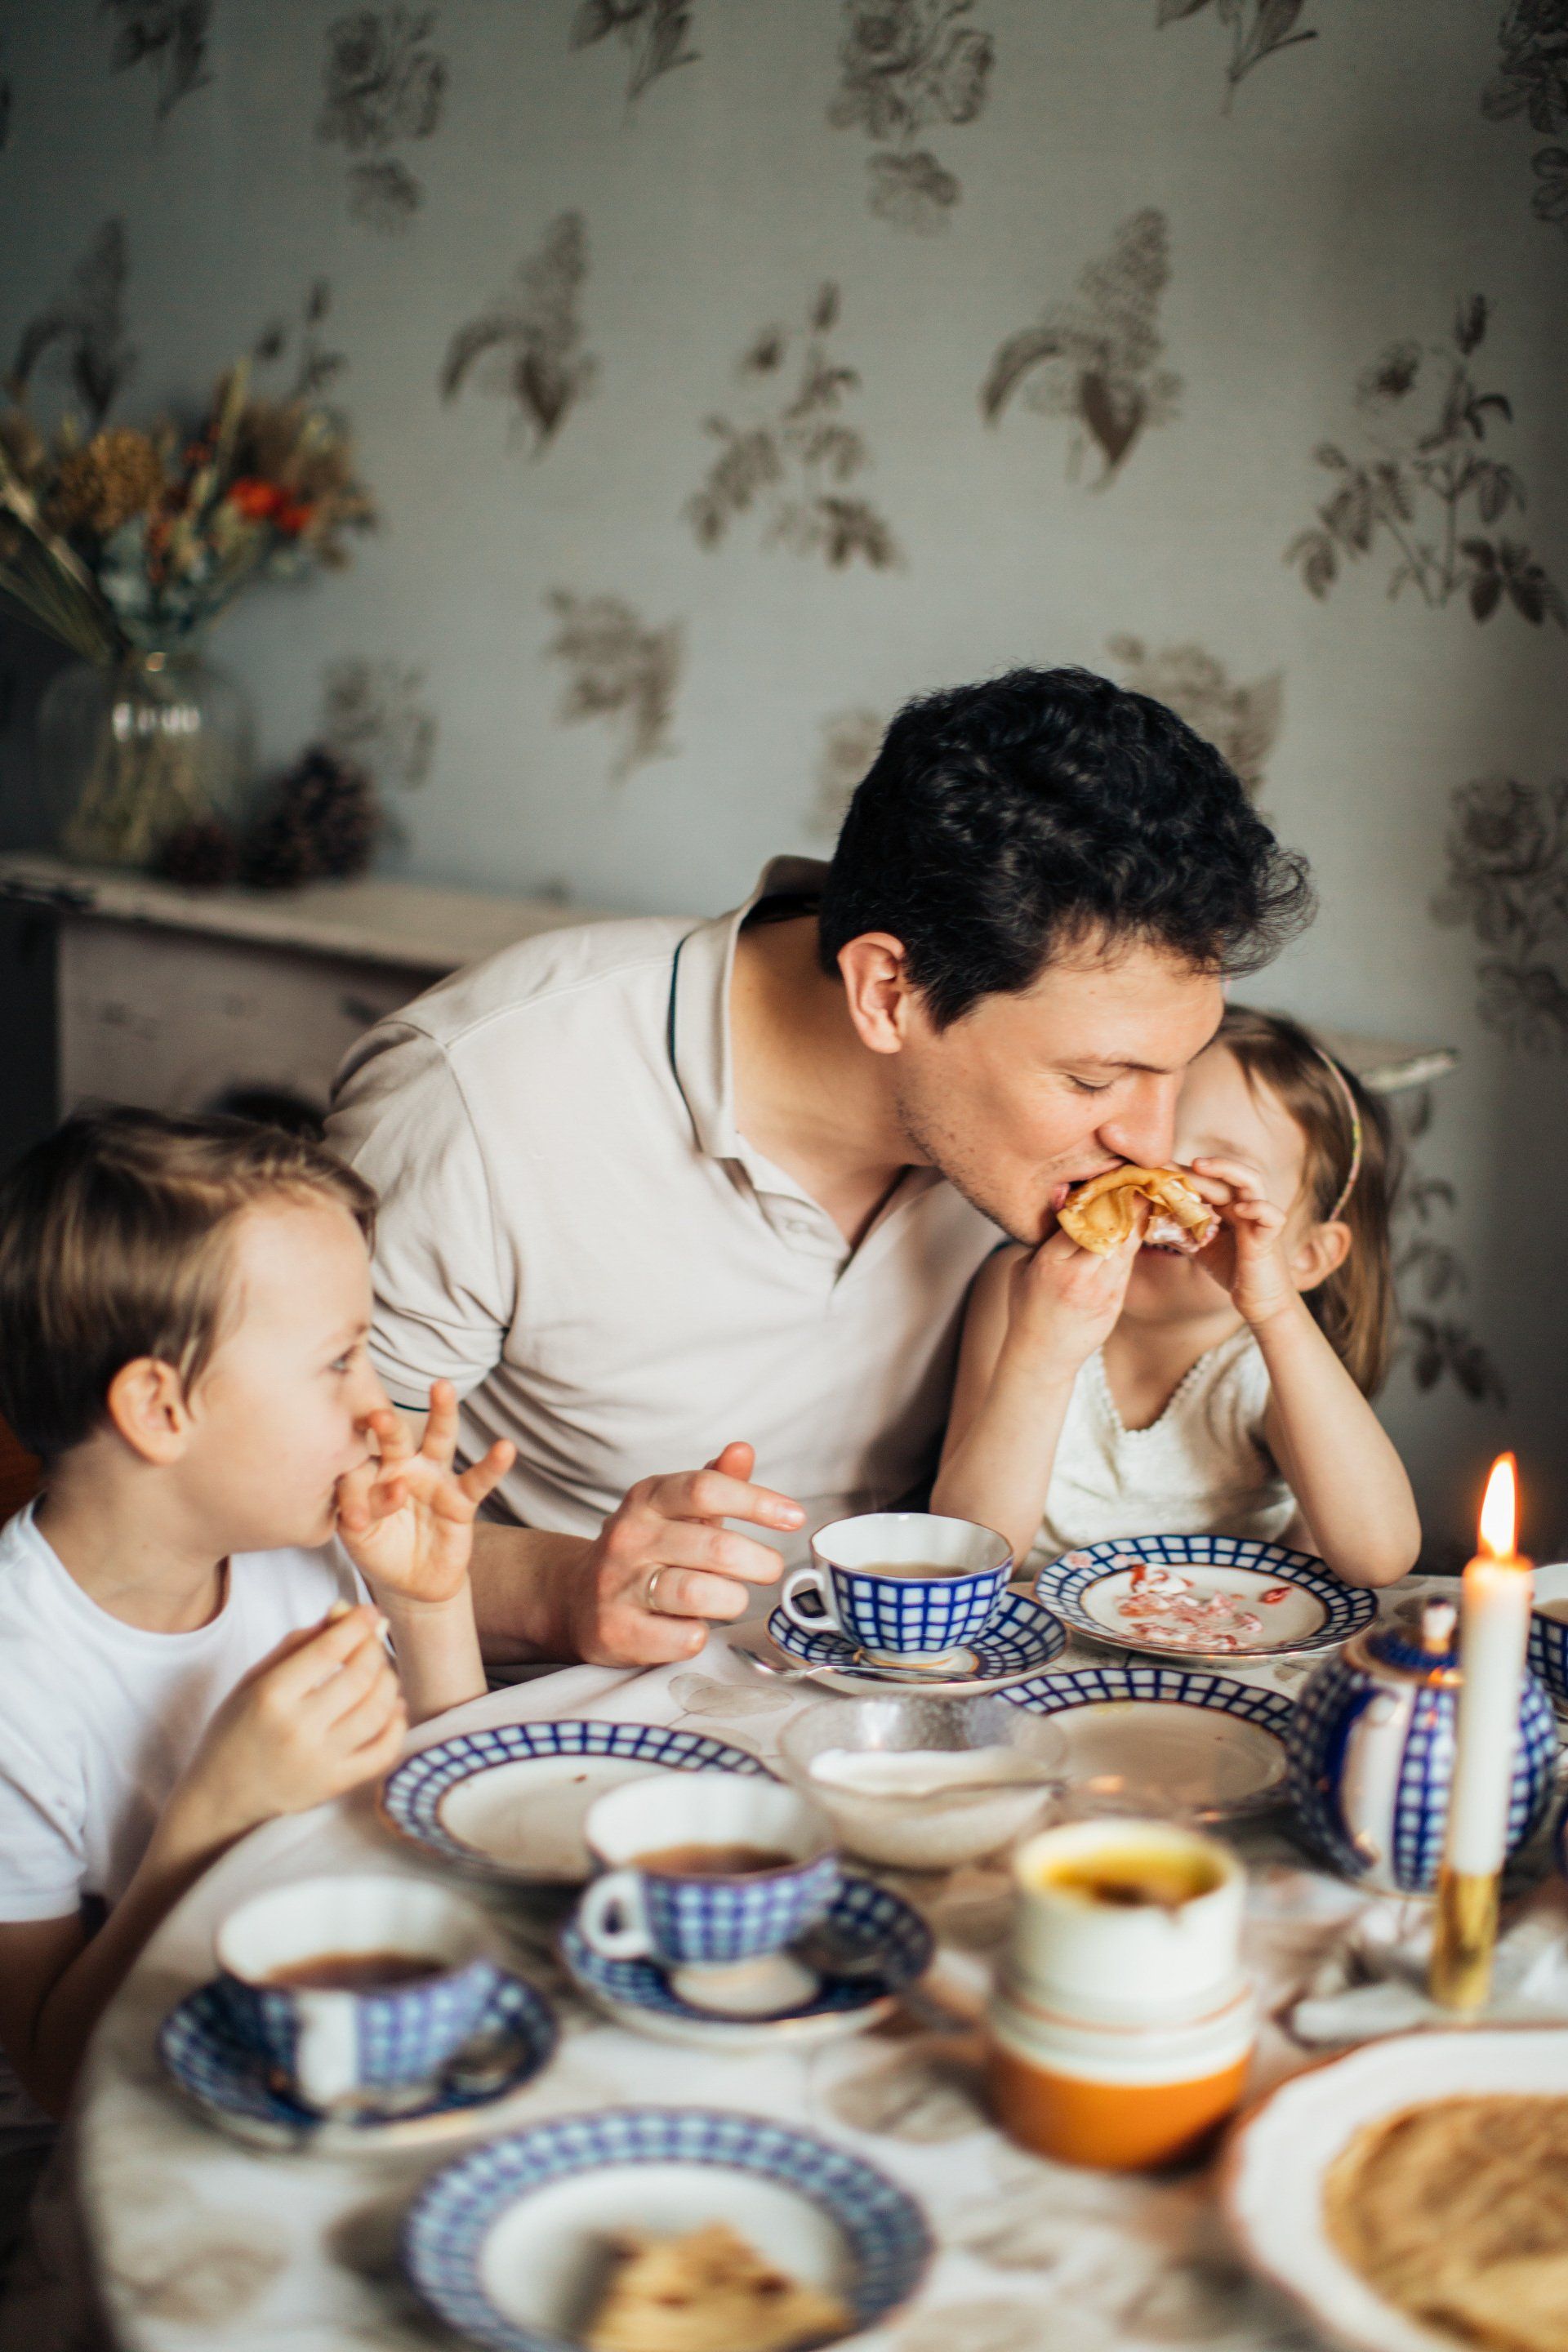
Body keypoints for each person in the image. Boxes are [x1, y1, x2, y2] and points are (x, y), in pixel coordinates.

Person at [327, 667, 1314, 1670]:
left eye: (1173, 1073)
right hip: (585, 1730)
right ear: (888, 991)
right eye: (1096, 1078)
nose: (1153, 1141)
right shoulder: (477, 1098)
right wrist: (564, 1588)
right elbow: (300, 1522)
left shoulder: (1040, 1153)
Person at [0, 1109, 513, 2124]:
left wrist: (429, 1606)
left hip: (313, 2037)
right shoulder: (17, 1682)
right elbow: (58, 2081)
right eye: (340, 1361)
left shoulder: (297, 1552)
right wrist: (214, 1814)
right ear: (161, 1411)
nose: (383, 1411)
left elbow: (450, 1843)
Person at [932, 1007, 1420, 1587]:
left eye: (1217, 1178)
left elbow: (1381, 1557)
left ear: (1306, 1257)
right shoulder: (1027, 1289)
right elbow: (966, 1558)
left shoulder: (1268, 1362)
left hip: (1223, 1646)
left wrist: (1276, 1309)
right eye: (1143, 1159)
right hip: (1047, 1645)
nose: (1162, 1193)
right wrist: (1041, 1357)